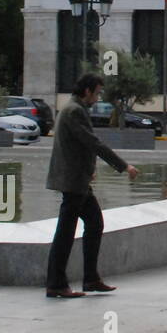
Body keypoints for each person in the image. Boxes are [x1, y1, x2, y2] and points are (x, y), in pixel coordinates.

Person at [44, 73, 140, 299]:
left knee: (94, 223)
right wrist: (124, 166)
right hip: (73, 181)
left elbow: (81, 146)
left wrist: (90, 169)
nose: (97, 98)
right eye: (96, 93)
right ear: (87, 91)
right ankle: (56, 284)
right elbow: (93, 143)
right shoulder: (75, 111)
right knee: (65, 234)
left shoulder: (72, 108)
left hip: (79, 180)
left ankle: (91, 279)